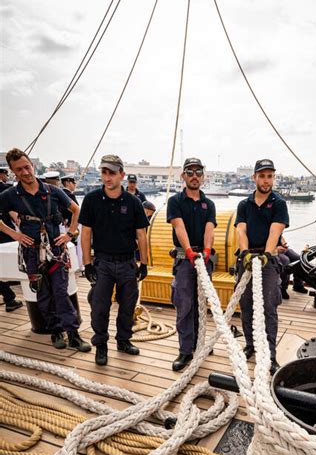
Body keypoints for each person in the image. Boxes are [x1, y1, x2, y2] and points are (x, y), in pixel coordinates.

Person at [0, 148, 90, 350]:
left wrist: (70, 234)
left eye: (26, 167)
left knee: (61, 291)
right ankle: (56, 331)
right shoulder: (11, 195)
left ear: (31, 165)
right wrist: (14, 235)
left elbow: (76, 210)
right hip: (32, 252)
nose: (25, 172)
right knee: (43, 293)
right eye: (19, 170)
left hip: (56, 250)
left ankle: (73, 334)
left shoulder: (53, 191)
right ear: (13, 172)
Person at [79, 154, 149, 366]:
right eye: (104, 172)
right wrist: (87, 264)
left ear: (122, 175)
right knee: (99, 306)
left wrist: (143, 263)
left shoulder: (133, 202)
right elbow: (86, 233)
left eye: (111, 173)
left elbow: (141, 234)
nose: (107, 177)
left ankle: (123, 340)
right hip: (103, 263)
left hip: (128, 262)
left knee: (127, 305)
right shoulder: (91, 200)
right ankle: (101, 344)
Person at [235, 159, 289, 375]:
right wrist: (246, 253)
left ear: (273, 178)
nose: (266, 180)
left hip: (267, 259)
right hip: (247, 258)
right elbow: (241, 231)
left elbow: (275, 232)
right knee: (246, 303)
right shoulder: (244, 204)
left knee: (268, 306)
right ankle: (250, 344)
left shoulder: (279, 204)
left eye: (270, 176)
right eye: (262, 176)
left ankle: (270, 354)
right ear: (254, 177)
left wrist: (267, 254)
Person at [166, 157, 216, 371]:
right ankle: (186, 350)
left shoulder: (209, 204)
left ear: (203, 177)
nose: (194, 176)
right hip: (185, 260)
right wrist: (188, 251)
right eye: (190, 172)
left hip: (204, 259)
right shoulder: (175, 201)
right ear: (183, 176)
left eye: (198, 172)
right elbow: (179, 227)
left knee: (201, 304)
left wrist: (205, 251)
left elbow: (209, 229)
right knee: (185, 305)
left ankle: (200, 342)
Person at [0, 167, 23, 312]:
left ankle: (9, 297)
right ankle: (9, 298)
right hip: (5, 234)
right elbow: (14, 212)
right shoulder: (5, 190)